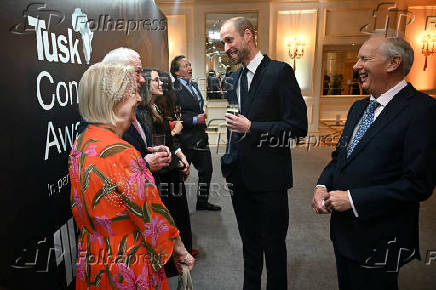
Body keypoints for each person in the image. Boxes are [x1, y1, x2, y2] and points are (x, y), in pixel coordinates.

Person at [312, 36, 436, 290]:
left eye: (364, 59)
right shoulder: (358, 108)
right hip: (345, 233)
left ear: (393, 63)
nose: (356, 65)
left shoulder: (423, 111)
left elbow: (418, 185)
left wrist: (354, 199)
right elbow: (340, 159)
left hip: (382, 237)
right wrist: (322, 185)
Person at [69, 62, 194, 289]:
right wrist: (179, 249)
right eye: (133, 95)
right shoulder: (122, 152)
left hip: (93, 257)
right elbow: (151, 215)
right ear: (114, 101)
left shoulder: (83, 141)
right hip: (127, 260)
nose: (138, 100)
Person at [220, 17, 308, 289]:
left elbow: (297, 127)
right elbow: (236, 125)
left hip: (270, 181)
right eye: (222, 42)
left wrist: (252, 127)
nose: (225, 48)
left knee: (273, 247)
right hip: (240, 178)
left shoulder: (280, 72)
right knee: (249, 244)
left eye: (229, 40)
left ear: (248, 35)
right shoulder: (233, 78)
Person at [139, 68, 194, 277]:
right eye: (155, 81)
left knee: (178, 219)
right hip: (161, 177)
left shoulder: (156, 107)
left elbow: (169, 143)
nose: (161, 83)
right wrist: (177, 164)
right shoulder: (143, 112)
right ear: (146, 85)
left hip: (170, 173)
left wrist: (179, 159)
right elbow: (155, 149)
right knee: (169, 220)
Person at [170, 55, 221, 211]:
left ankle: (202, 202)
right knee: (181, 173)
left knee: (207, 170)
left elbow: (197, 108)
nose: (189, 68)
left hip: (200, 137)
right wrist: (194, 120)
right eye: (185, 66)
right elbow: (174, 116)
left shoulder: (193, 86)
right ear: (177, 72)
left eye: (190, 65)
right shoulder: (173, 90)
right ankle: (175, 206)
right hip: (185, 138)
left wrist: (200, 119)